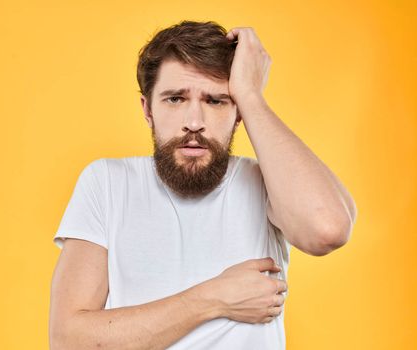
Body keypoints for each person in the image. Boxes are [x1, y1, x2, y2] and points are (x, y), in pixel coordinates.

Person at [49, 20, 357, 350]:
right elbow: (69, 341)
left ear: (237, 111)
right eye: (175, 99)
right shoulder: (108, 183)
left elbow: (328, 229)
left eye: (215, 101)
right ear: (147, 109)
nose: (194, 122)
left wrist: (252, 97)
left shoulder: (270, 182)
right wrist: (214, 298)